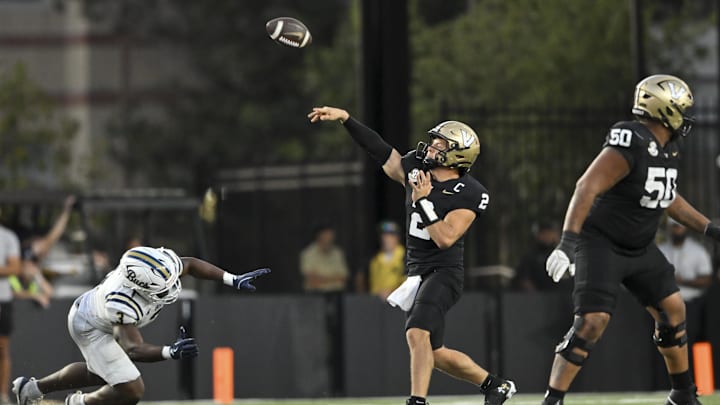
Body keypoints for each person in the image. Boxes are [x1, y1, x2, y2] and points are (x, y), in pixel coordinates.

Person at [309, 106, 516, 405]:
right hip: (418, 274)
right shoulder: (418, 167)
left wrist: (423, 201)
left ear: (457, 154)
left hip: (444, 273)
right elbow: (382, 152)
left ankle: (417, 401)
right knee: (434, 353)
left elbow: (445, 238)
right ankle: (494, 385)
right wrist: (346, 120)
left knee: (416, 332)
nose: (431, 146)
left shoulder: (469, 192)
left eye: (441, 144)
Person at [543, 74, 718, 405]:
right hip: (602, 244)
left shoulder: (668, 149)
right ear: (665, 110)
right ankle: (552, 400)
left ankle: (682, 394)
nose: (686, 116)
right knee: (592, 322)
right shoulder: (631, 140)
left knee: (673, 309)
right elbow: (586, 186)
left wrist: (710, 229)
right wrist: (567, 243)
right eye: (681, 108)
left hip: (639, 247)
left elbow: (668, 198)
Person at [12, 246, 270, 405]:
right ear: (140, 288)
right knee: (131, 388)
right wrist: (171, 351)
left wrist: (232, 279)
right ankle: (78, 403)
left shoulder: (153, 265)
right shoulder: (122, 302)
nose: (173, 288)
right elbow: (134, 349)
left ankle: (31, 389)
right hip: (89, 325)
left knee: (102, 372)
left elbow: (189, 264)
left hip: (95, 311)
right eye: (164, 287)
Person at [658, 218, 713, 355]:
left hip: (691, 305)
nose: (677, 229)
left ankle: (696, 376)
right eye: (674, 226)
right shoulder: (661, 250)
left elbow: (706, 279)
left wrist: (683, 281)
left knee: (693, 342)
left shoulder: (697, 251)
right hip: (666, 308)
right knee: (668, 345)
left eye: (679, 226)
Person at [513, 220, 570, 292]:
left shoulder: (561, 254)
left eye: (550, 233)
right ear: (538, 235)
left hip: (560, 298)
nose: (548, 236)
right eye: (544, 233)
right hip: (538, 298)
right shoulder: (531, 256)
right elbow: (523, 279)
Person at [0, 222, 20, 405]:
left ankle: (2, 395)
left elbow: (15, 268)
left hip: (2, 300)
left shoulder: (7, 237)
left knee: (2, 348)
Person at [300, 225, 349, 293]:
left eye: (331, 236)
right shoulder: (308, 254)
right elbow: (312, 280)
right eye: (327, 236)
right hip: (315, 294)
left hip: (337, 294)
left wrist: (321, 278)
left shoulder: (338, 253)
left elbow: (343, 278)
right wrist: (334, 278)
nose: (330, 239)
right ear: (319, 236)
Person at [368, 221, 406, 300]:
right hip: (377, 303)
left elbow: (408, 283)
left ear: (397, 238)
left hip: (398, 302)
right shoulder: (375, 259)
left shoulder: (405, 257)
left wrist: (392, 291)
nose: (386, 239)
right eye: (384, 235)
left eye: (391, 236)